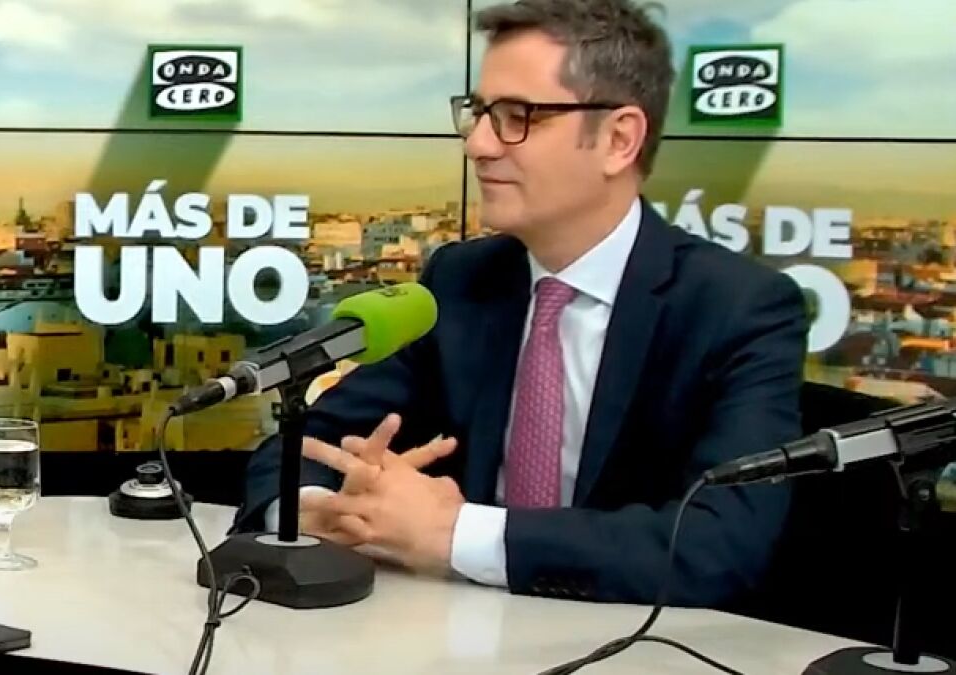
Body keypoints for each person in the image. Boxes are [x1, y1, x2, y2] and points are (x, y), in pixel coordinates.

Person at [232, 0, 809, 608]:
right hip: (449, 634)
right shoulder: (461, 281)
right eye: (479, 113)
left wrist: (455, 535)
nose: (478, 144)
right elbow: (310, 443)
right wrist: (319, 510)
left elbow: (720, 544)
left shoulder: (737, 309)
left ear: (618, 140)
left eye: (518, 117)